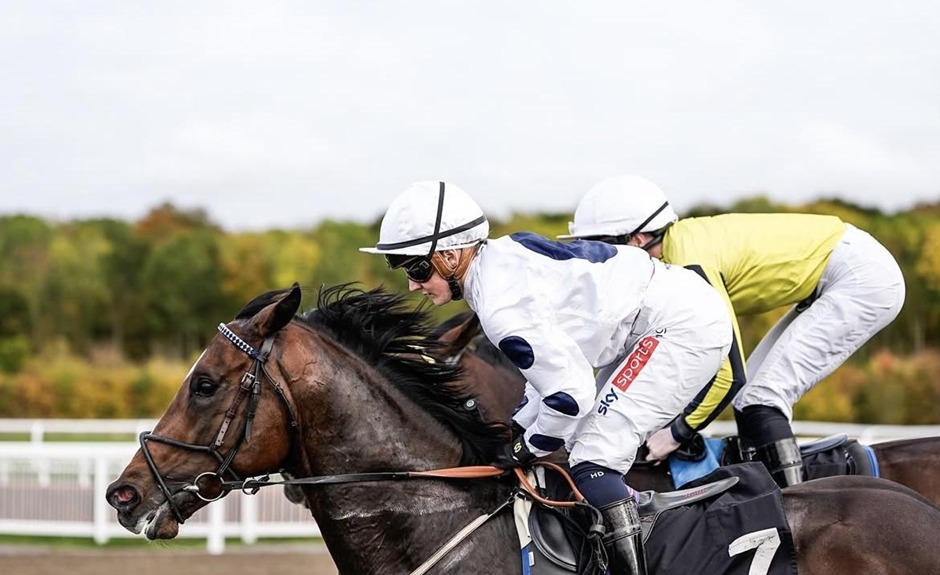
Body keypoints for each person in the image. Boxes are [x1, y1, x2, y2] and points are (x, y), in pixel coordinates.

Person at [362, 181, 732, 575]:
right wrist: (517, 430)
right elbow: (550, 376)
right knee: (572, 443)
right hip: (656, 317)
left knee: (594, 460)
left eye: (417, 268)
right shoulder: (497, 262)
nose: (413, 284)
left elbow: (570, 396)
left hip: (679, 325)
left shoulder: (501, 308)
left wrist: (526, 448)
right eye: (402, 269)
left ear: (452, 256)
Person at [560, 175, 906, 487]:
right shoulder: (669, 257)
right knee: (751, 401)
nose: (597, 258)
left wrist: (677, 433)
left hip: (862, 277)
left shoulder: (687, 264)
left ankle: (801, 516)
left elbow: (728, 374)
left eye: (602, 245)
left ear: (638, 238)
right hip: (843, 267)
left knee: (761, 398)